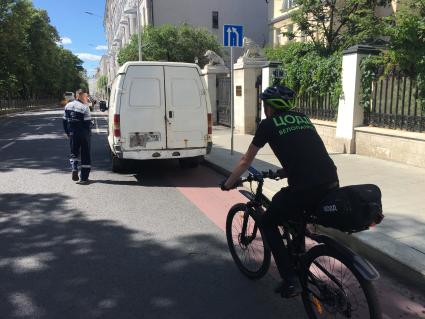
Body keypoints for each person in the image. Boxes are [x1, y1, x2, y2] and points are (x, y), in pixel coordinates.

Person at [220, 85, 339, 298]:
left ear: (269, 106)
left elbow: (246, 160)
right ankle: (300, 255)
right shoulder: (303, 118)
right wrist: (286, 171)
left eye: (264, 105)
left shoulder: (268, 124)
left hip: (304, 188)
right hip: (330, 180)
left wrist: (229, 182)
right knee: (295, 215)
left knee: (267, 222)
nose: (264, 109)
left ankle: (291, 279)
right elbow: (306, 151)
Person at [63, 89, 93, 184]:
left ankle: (74, 168)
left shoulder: (68, 105)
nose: (86, 98)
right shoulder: (85, 107)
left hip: (73, 134)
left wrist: (68, 133)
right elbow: (88, 123)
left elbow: (64, 121)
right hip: (84, 134)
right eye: (85, 96)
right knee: (85, 155)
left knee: (74, 153)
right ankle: (84, 178)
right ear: (80, 96)